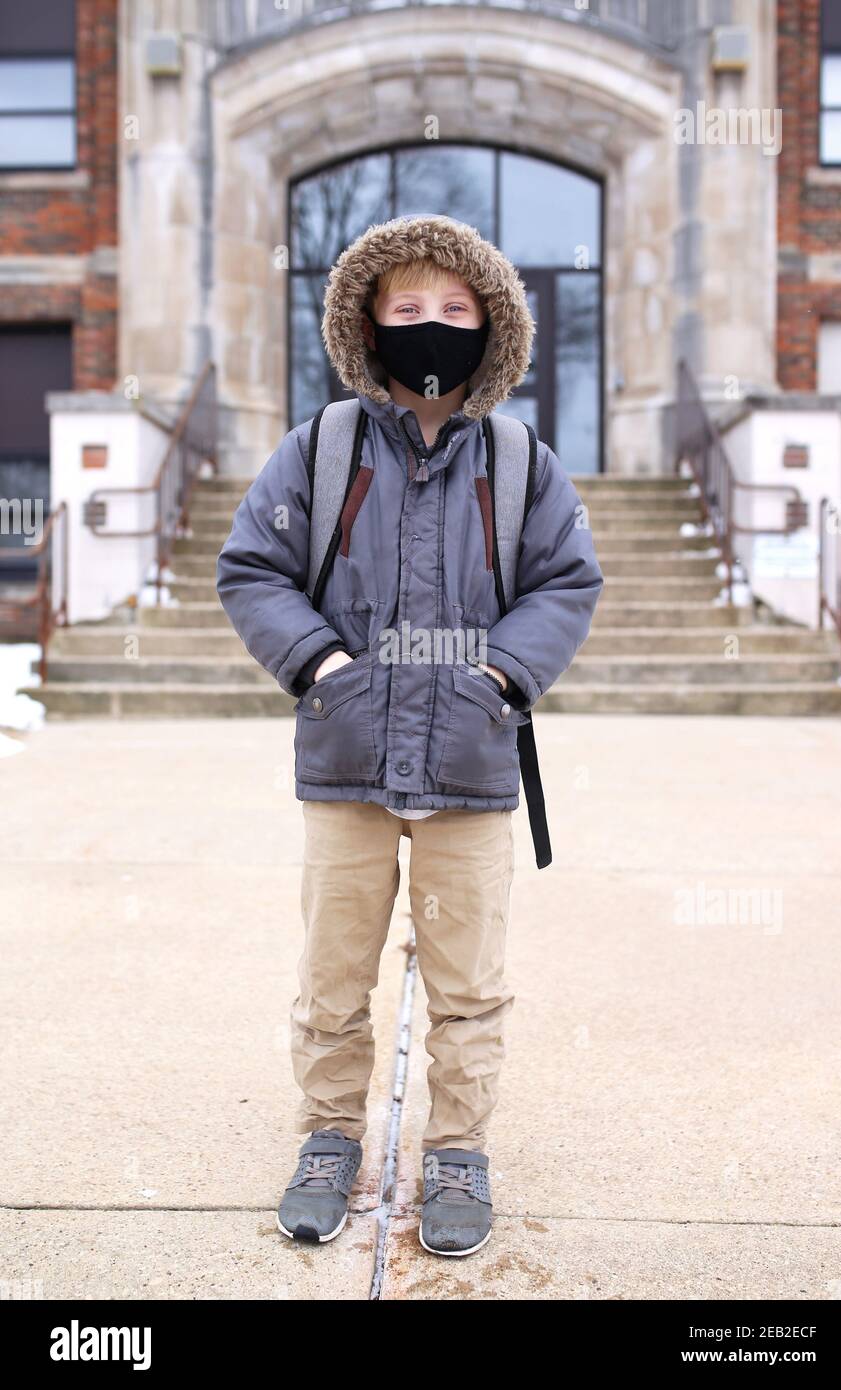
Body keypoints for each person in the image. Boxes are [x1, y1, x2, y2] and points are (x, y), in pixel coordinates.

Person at [216, 212, 604, 1257]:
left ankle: (457, 1150)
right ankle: (329, 1137)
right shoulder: (320, 450)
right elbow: (250, 567)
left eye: (452, 308)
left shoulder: (520, 464)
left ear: (490, 327)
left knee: (469, 984)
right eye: (405, 308)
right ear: (366, 323)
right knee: (333, 976)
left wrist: (496, 677)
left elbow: (566, 581)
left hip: (470, 767)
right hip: (345, 760)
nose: (428, 326)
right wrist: (323, 668)